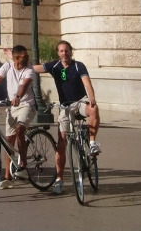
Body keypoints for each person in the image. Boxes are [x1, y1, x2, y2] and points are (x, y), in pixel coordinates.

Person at [33, 40, 100, 195]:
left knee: (94, 109)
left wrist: (91, 97)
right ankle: (59, 180)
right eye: (61, 51)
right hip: (65, 106)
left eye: (67, 50)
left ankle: (92, 142)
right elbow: (33, 68)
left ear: (71, 51)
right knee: (61, 142)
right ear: (58, 53)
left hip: (80, 102)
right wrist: (15, 60)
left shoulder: (78, 66)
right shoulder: (54, 66)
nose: (64, 53)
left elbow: (87, 84)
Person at [0, 45, 35, 189]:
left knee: (19, 129)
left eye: (27, 55)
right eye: (24, 56)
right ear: (15, 58)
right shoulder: (7, 66)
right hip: (12, 107)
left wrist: (18, 97)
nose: (27, 58)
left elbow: (24, 86)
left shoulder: (29, 70)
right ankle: (7, 178)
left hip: (26, 105)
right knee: (8, 142)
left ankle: (23, 166)